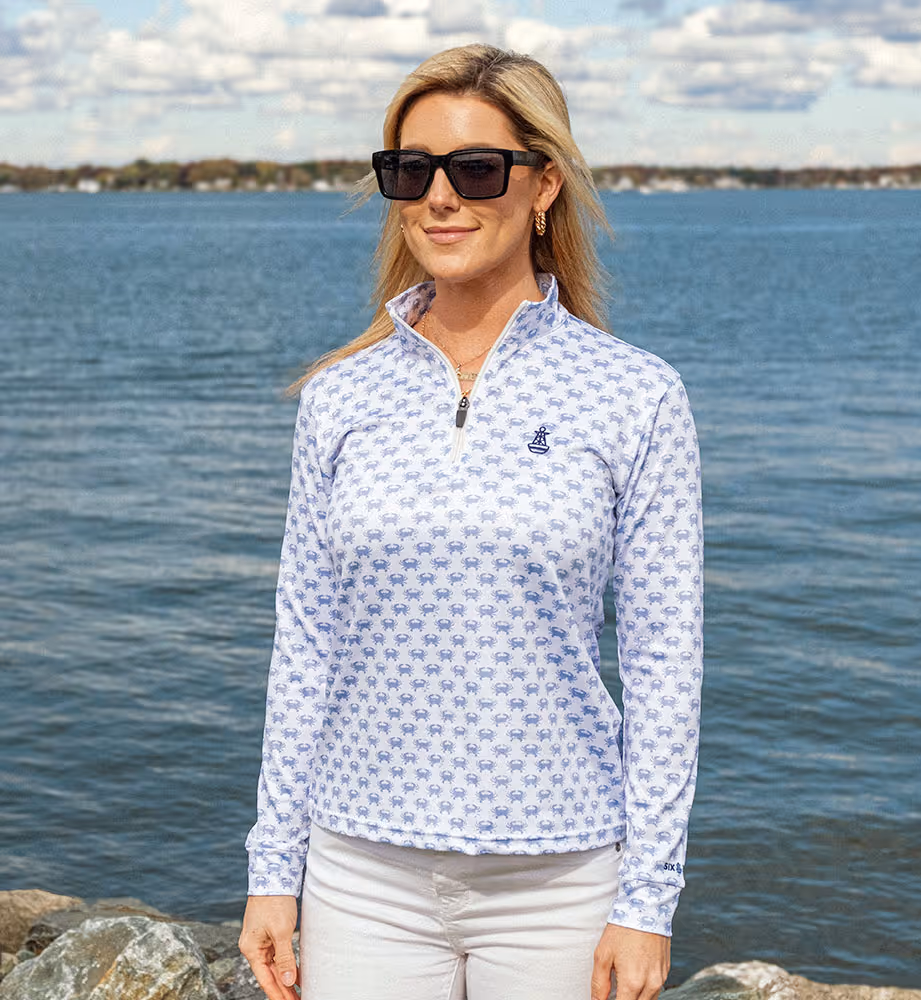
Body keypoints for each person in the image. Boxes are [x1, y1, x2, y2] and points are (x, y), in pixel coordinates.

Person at [239, 43, 703, 1000]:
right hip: (358, 869)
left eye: (477, 168)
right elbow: (305, 646)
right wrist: (273, 870)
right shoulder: (340, 398)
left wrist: (648, 899)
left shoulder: (636, 397)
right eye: (411, 171)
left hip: (560, 878)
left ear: (544, 186)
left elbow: (664, 663)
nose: (440, 197)